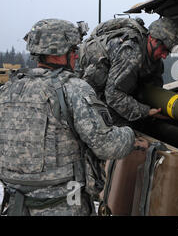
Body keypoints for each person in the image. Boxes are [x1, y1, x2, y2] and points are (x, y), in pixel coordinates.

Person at [0, 19, 146, 216]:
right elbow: (108, 145)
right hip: (64, 205)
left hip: (16, 206)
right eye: (73, 49)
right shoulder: (73, 88)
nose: (76, 55)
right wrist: (129, 134)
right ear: (61, 53)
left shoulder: (7, 90)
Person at [78, 16, 178, 125]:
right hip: (87, 86)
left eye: (168, 52)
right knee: (120, 126)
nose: (164, 56)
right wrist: (145, 111)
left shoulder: (155, 61)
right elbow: (113, 96)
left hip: (110, 88)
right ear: (152, 39)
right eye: (163, 49)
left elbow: (154, 88)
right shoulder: (131, 53)